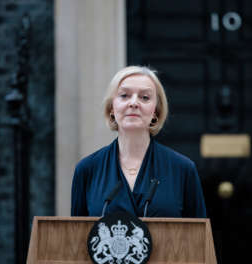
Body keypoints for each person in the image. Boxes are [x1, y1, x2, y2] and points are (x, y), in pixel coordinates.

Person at [71, 66, 207, 221]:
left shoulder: (183, 169)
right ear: (111, 108)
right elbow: (77, 238)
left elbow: (198, 238)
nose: (134, 103)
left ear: (155, 111)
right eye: (124, 95)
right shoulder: (87, 169)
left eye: (145, 97)